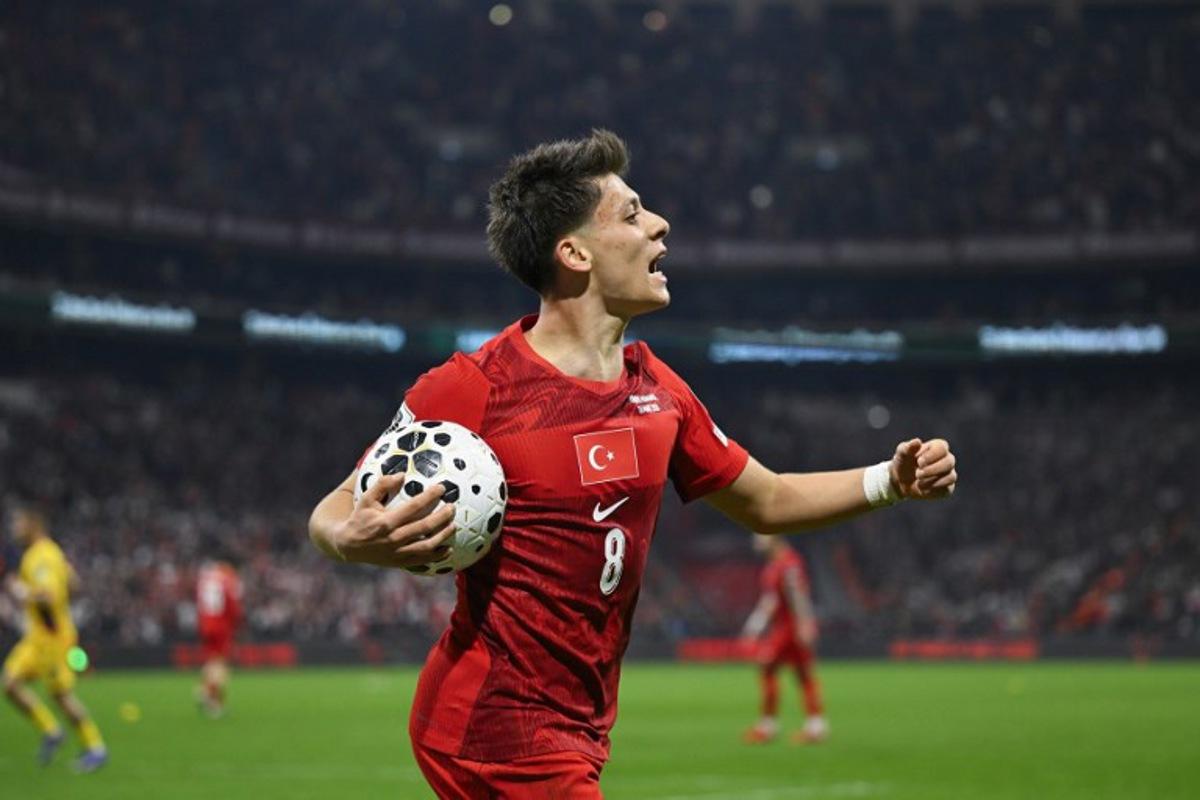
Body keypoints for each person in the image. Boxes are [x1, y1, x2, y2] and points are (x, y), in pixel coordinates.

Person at [309, 130, 958, 798]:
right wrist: (348, 540)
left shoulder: (659, 391)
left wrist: (891, 481)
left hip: (581, 727)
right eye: (632, 214)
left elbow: (769, 500)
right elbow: (332, 510)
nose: (659, 225)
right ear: (574, 252)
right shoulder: (474, 385)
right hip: (496, 725)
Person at [2, 505, 108, 772]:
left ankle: (95, 747)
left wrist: (23, 592)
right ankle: (51, 731)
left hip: (51, 638)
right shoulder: (49, 553)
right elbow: (74, 584)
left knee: (60, 695)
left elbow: (49, 595)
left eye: (18, 523)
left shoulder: (41, 557)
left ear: (33, 524)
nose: (14, 529)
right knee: (10, 683)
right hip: (38, 636)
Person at [741, 534, 826, 744]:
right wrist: (756, 624)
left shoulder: (789, 564)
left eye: (761, 536)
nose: (756, 541)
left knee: (769, 668)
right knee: (803, 674)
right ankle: (815, 726)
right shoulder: (776, 564)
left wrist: (805, 623)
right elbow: (772, 600)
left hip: (789, 629)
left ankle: (768, 726)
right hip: (786, 627)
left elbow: (797, 595)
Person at [193, 554, 243, 718]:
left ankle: (203, 690)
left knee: (212, 660)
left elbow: (200, 602)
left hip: (205, 624)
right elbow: (232, 605)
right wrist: (236, 623)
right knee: (220, 664)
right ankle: (213, 702)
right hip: (220, 625)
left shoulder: (205, 577)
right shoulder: (228, 578)